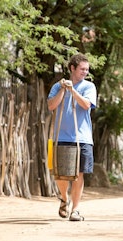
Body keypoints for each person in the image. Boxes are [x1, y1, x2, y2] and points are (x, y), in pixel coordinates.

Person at [47, 53, 97, 221]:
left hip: (82, 137)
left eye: (87, 70)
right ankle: (64, 198)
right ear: (72, 68)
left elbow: (86, 105)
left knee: (78, 174)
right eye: (82, 69)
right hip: (60, 135)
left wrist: (73, 90)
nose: (85, 72)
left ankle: (75, 210)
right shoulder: (57, 86)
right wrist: (63, 89)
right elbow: (51, 106)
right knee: (60, 173)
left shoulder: (89, 87)